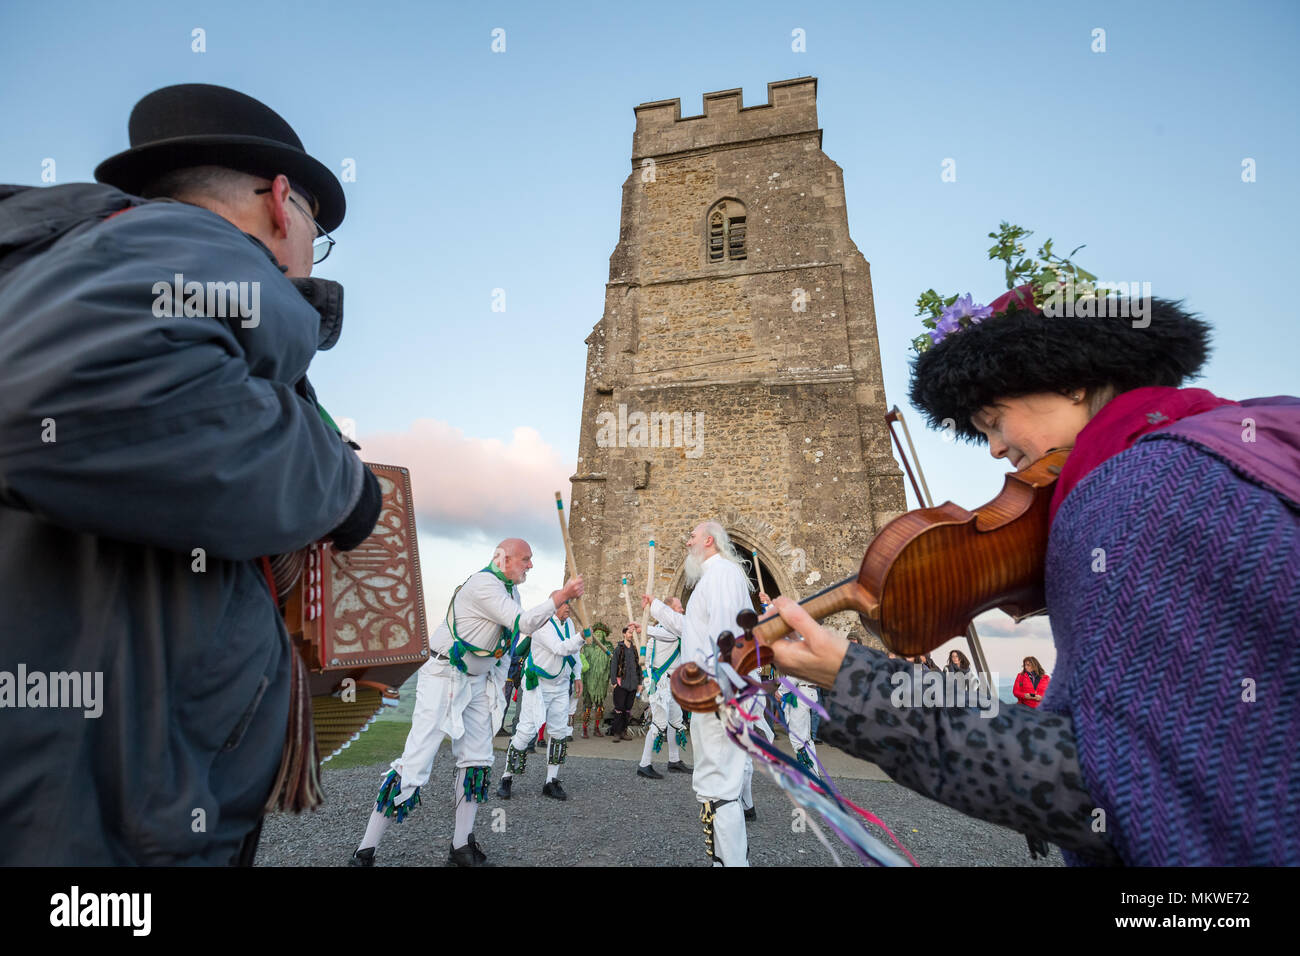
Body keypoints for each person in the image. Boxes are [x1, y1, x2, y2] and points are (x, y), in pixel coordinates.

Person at [769, 259, 1300, 865]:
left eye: (994, 421)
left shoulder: (1127, 488)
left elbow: (1111, 786)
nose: (995, 448)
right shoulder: (1245, 440)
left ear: (1072, 381)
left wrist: (853, 679)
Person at [0, 83, 380, 865]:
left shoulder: (101, 257)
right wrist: (340, 483)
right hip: (88, 832)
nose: (313, 248)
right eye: (317, 226)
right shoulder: (188, 243)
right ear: (281, 202)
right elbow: (50, 390)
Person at [349, 539, 583, 866]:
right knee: (415, 765)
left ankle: (461, 846)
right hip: (443, 676)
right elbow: (524, 624)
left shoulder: (511, 593)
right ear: (503, 559)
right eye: (525, 559)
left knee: (477, 759)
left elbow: (502, 651)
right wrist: (560, 596)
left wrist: (495, 697)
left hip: (476, 682)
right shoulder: (483, 585)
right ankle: (365, 852)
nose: (530, 565)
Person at [646, 521, 755, 866]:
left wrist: (718, 693)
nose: (687, 541)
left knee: (719, 786)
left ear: (709, 540)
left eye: (691, 536)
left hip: (718, 695)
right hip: (713, 694)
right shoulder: (713, 578)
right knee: (715, 785)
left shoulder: (722, 574)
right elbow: (691, 630)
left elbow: (725, 637)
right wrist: (656, 609)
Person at [497, 602, 585, 801]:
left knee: (559, 731)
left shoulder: (569, 623)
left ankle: (551, 781)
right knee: (526, 730)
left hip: (561, 686)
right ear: (553, 607)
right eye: (564, 604)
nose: (568, 608)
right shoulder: (542, 624)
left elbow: (574, 653)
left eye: (569, 604)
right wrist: (582, 637)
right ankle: (506, 777)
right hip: (539, 686)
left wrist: (577, 675)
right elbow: (559, 648)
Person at [633, 619, 692, 779]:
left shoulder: (672, 630)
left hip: (672, 682)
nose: (680, 612)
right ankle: (644, 764)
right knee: (659, 722)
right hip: (660, 683)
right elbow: (666, 636)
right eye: (678, 608)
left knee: (675, 720)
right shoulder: (663, 632)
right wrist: (644, 628)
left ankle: (674, 760)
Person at [579, 623, 614, 737]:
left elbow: (612, 661)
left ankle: (596, 728)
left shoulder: (608, 648)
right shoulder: (588, 647)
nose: (598, 636)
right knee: (587, 706)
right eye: (596, 633)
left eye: (601, 634)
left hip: (601, 682)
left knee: (600, 706)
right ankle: (584, 728)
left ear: (605, 635)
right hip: (588, 681)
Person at [609, 623, 643, 740]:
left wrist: (639, 683)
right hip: (621, 684)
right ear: (624, 634)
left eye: (632, 633)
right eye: (629, 632)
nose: (631, 635)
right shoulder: (619, 649)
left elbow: (638, 668)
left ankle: (624, 731)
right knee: (619, 708)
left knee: (628, 709)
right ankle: (617, 733)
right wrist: (614, 682)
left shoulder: (634, 650)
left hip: (632, 684)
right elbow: (613, 665)